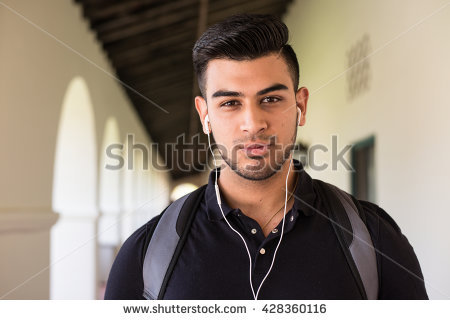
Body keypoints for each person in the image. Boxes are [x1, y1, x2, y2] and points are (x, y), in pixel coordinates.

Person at [105, 13, 428, 300]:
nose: (253, 123)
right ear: (205, 115)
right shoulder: (147, 253)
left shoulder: (374, 238)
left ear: (300, 106)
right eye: (230, 103)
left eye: (271, 98)